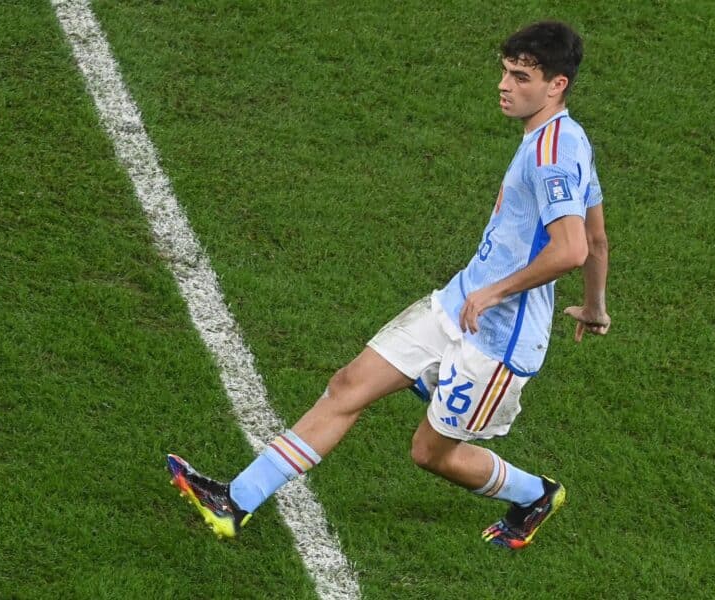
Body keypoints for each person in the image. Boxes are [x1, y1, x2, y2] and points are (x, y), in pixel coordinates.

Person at [167, 20, 610, 550]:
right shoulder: (567, 139)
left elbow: (574, 248)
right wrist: (594, 307)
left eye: (520, 76)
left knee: (430, 454)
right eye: (505, 71)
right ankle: (234, 501)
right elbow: (599, 236)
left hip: (498, 339)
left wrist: (494, 292)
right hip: (455, 303)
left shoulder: (552, 152)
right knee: (348, 385)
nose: (504, 84)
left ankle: (536, 493)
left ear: (556, 85)